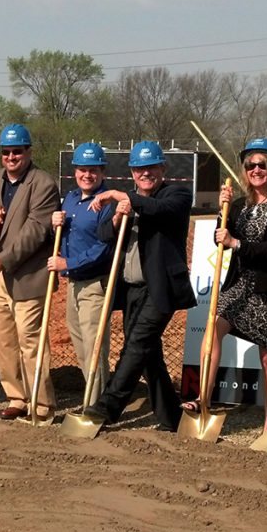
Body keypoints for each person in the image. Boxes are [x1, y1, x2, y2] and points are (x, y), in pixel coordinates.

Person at [184, 138, 267, 432]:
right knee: (213, 329)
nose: (256, 169)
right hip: (240, 285)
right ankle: (202, 399)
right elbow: (220, 238)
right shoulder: (238, 206)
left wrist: (235, 242)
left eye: (262, 164)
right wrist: (224, 211)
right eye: (251, 165)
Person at [83, 141, 196, 432]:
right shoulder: (129, 201)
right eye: (139, 169)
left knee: (135, 346)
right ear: (132, 172)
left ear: (162, 168)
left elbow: (160, 209)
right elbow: (105, 233)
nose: (145, 173)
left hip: (160, 289)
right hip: (132, 289)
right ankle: (172, 417)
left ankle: (105, 409)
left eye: (150, 167)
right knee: (149, 355)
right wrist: (120, 214)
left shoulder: (177, 194)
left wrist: (125, 198)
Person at [0, 124, 60, 422]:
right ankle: (16, 398)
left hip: (29, 275)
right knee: (5, 340)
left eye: (17, 151)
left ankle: (42, 405)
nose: (11, 156)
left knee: (30, 340)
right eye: (6, 152)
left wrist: (2, 260)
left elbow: (35, 232)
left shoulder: (43, 184)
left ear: (28, 152)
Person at [47, 142, 114, 405]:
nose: (87, 175)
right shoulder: (72, 199)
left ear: (102, 172)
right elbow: (67, 238)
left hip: (96, 284)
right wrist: (56, 227)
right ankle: (92, 397)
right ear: (75, 171)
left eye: (93, 170)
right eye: (82, 169)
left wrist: (68, 263)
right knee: (80, 345)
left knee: (94, 347)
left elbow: (104, 249)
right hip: (74, 284)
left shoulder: (106, 201)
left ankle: (96, 406)